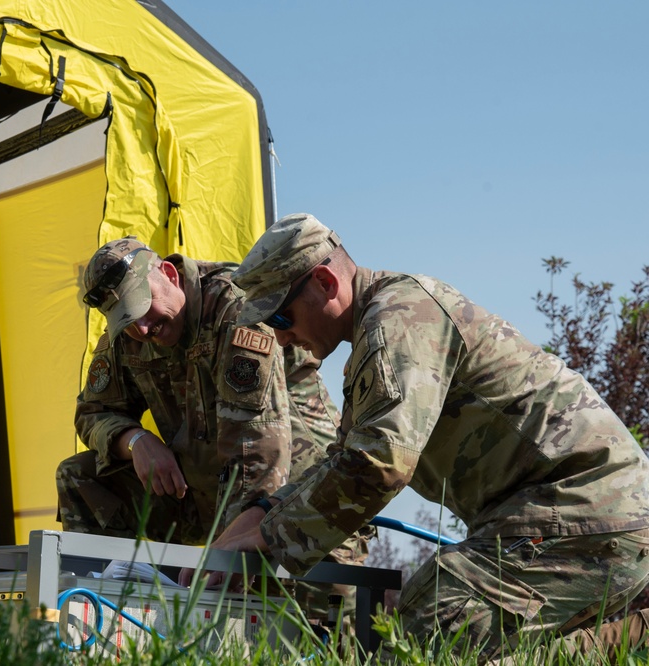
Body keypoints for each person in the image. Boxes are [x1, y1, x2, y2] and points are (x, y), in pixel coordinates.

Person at [199, 212, 649, 654]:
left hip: (584, 508)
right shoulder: (378, 334)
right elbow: (343, 461)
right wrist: (264, 510)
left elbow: (379, 464)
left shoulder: (400, 318)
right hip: (558, 514)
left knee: (433, 628)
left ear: (325, 283)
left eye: (281, 318)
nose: (280, 340)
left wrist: (273, 536)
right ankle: (626, 637)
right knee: (448, 632)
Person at [57, 236, 367, 622]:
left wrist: (226, 550)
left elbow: (258, 453)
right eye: (125, 319)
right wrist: (135, 440)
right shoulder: (131, 334)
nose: (141, 327)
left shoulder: (235, 310)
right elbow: (91, 412)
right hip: (205, 488)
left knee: (321, 633)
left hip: (295, 489)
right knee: (79, 478)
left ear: (168, 274)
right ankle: (107, 622)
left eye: (141, 307)